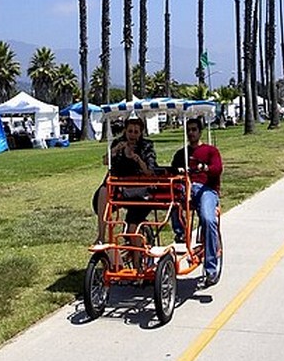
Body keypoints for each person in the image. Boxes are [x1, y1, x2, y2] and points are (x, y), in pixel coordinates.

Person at [171, 117, 223, 287]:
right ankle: (179, 231)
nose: (191, 133)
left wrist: (205, 168)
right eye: (189, 130)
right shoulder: (181, 154)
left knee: (208, 219)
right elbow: (171, 171)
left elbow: (217, 169)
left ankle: (211, 269)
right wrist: (177, 171)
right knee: (170, 198)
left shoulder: (210, 151)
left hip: (206, 189)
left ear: (200, 131)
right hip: (185, 187)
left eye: (194, 129)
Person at [92, 115, 157, 244]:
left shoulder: (146, 146)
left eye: (136, 132)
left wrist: (137, 159)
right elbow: (105, 161)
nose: (132, 135)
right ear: (125, 131)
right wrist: (115, 150)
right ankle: (101, 236)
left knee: (132, 229)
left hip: (139, 189)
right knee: (104, 190)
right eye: (130, 131)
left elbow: (150, 172)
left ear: (140, 133)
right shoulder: (118, 143)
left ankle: (138, 259)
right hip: (120, 187)